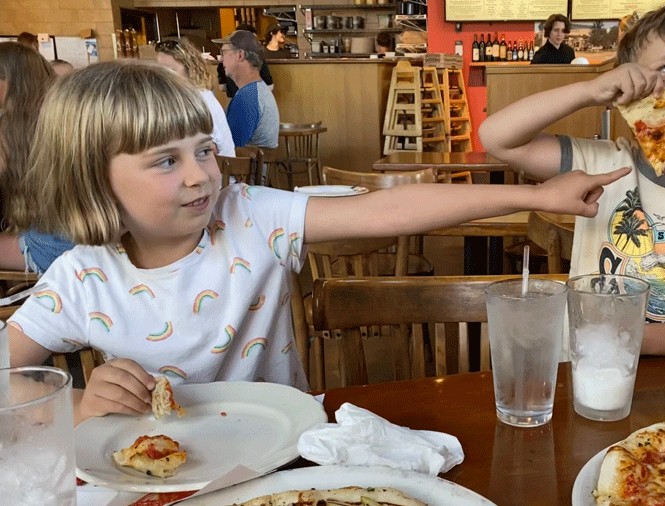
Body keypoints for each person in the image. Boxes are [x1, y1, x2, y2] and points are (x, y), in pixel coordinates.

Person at [6, 61, 626, 423]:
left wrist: (536, 195)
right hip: (156, 470)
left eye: (204, 150)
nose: (200, 175)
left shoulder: (248, 215)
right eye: (166, 161)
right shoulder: (81, 277)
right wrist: (77, 403)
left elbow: (389, 209)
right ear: (94, 178)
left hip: (285, 454)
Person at [480, 0, 665, 356]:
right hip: (583, 365)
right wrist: (589, 91)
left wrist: (635, 339)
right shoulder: (601, 163)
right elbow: (497, 139)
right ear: (632, 98)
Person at [0, 42, 74, 274]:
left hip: (57, 245)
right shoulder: (68, 117)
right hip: (88, 238)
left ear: (6, 82)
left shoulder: (7, 132)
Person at [156, 38, 235, 157]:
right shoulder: (187, 95)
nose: (164, 77)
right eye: (161, 71)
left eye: (171, 71)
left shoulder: (197, 98)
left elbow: (212, 148)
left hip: (220, 166)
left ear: (189, 70)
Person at [215, 30, 279, 148]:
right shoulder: (257, 89)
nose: (221, 59)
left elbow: (229, 148)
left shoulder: (247, 97)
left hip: (245, 160)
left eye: (224, 53)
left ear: (240, 55)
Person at [216, 24, 274, 99]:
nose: (221, 59)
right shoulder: (258, 59)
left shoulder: (226, 62)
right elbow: (270, 85)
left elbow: (223, 87)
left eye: (224, 52)